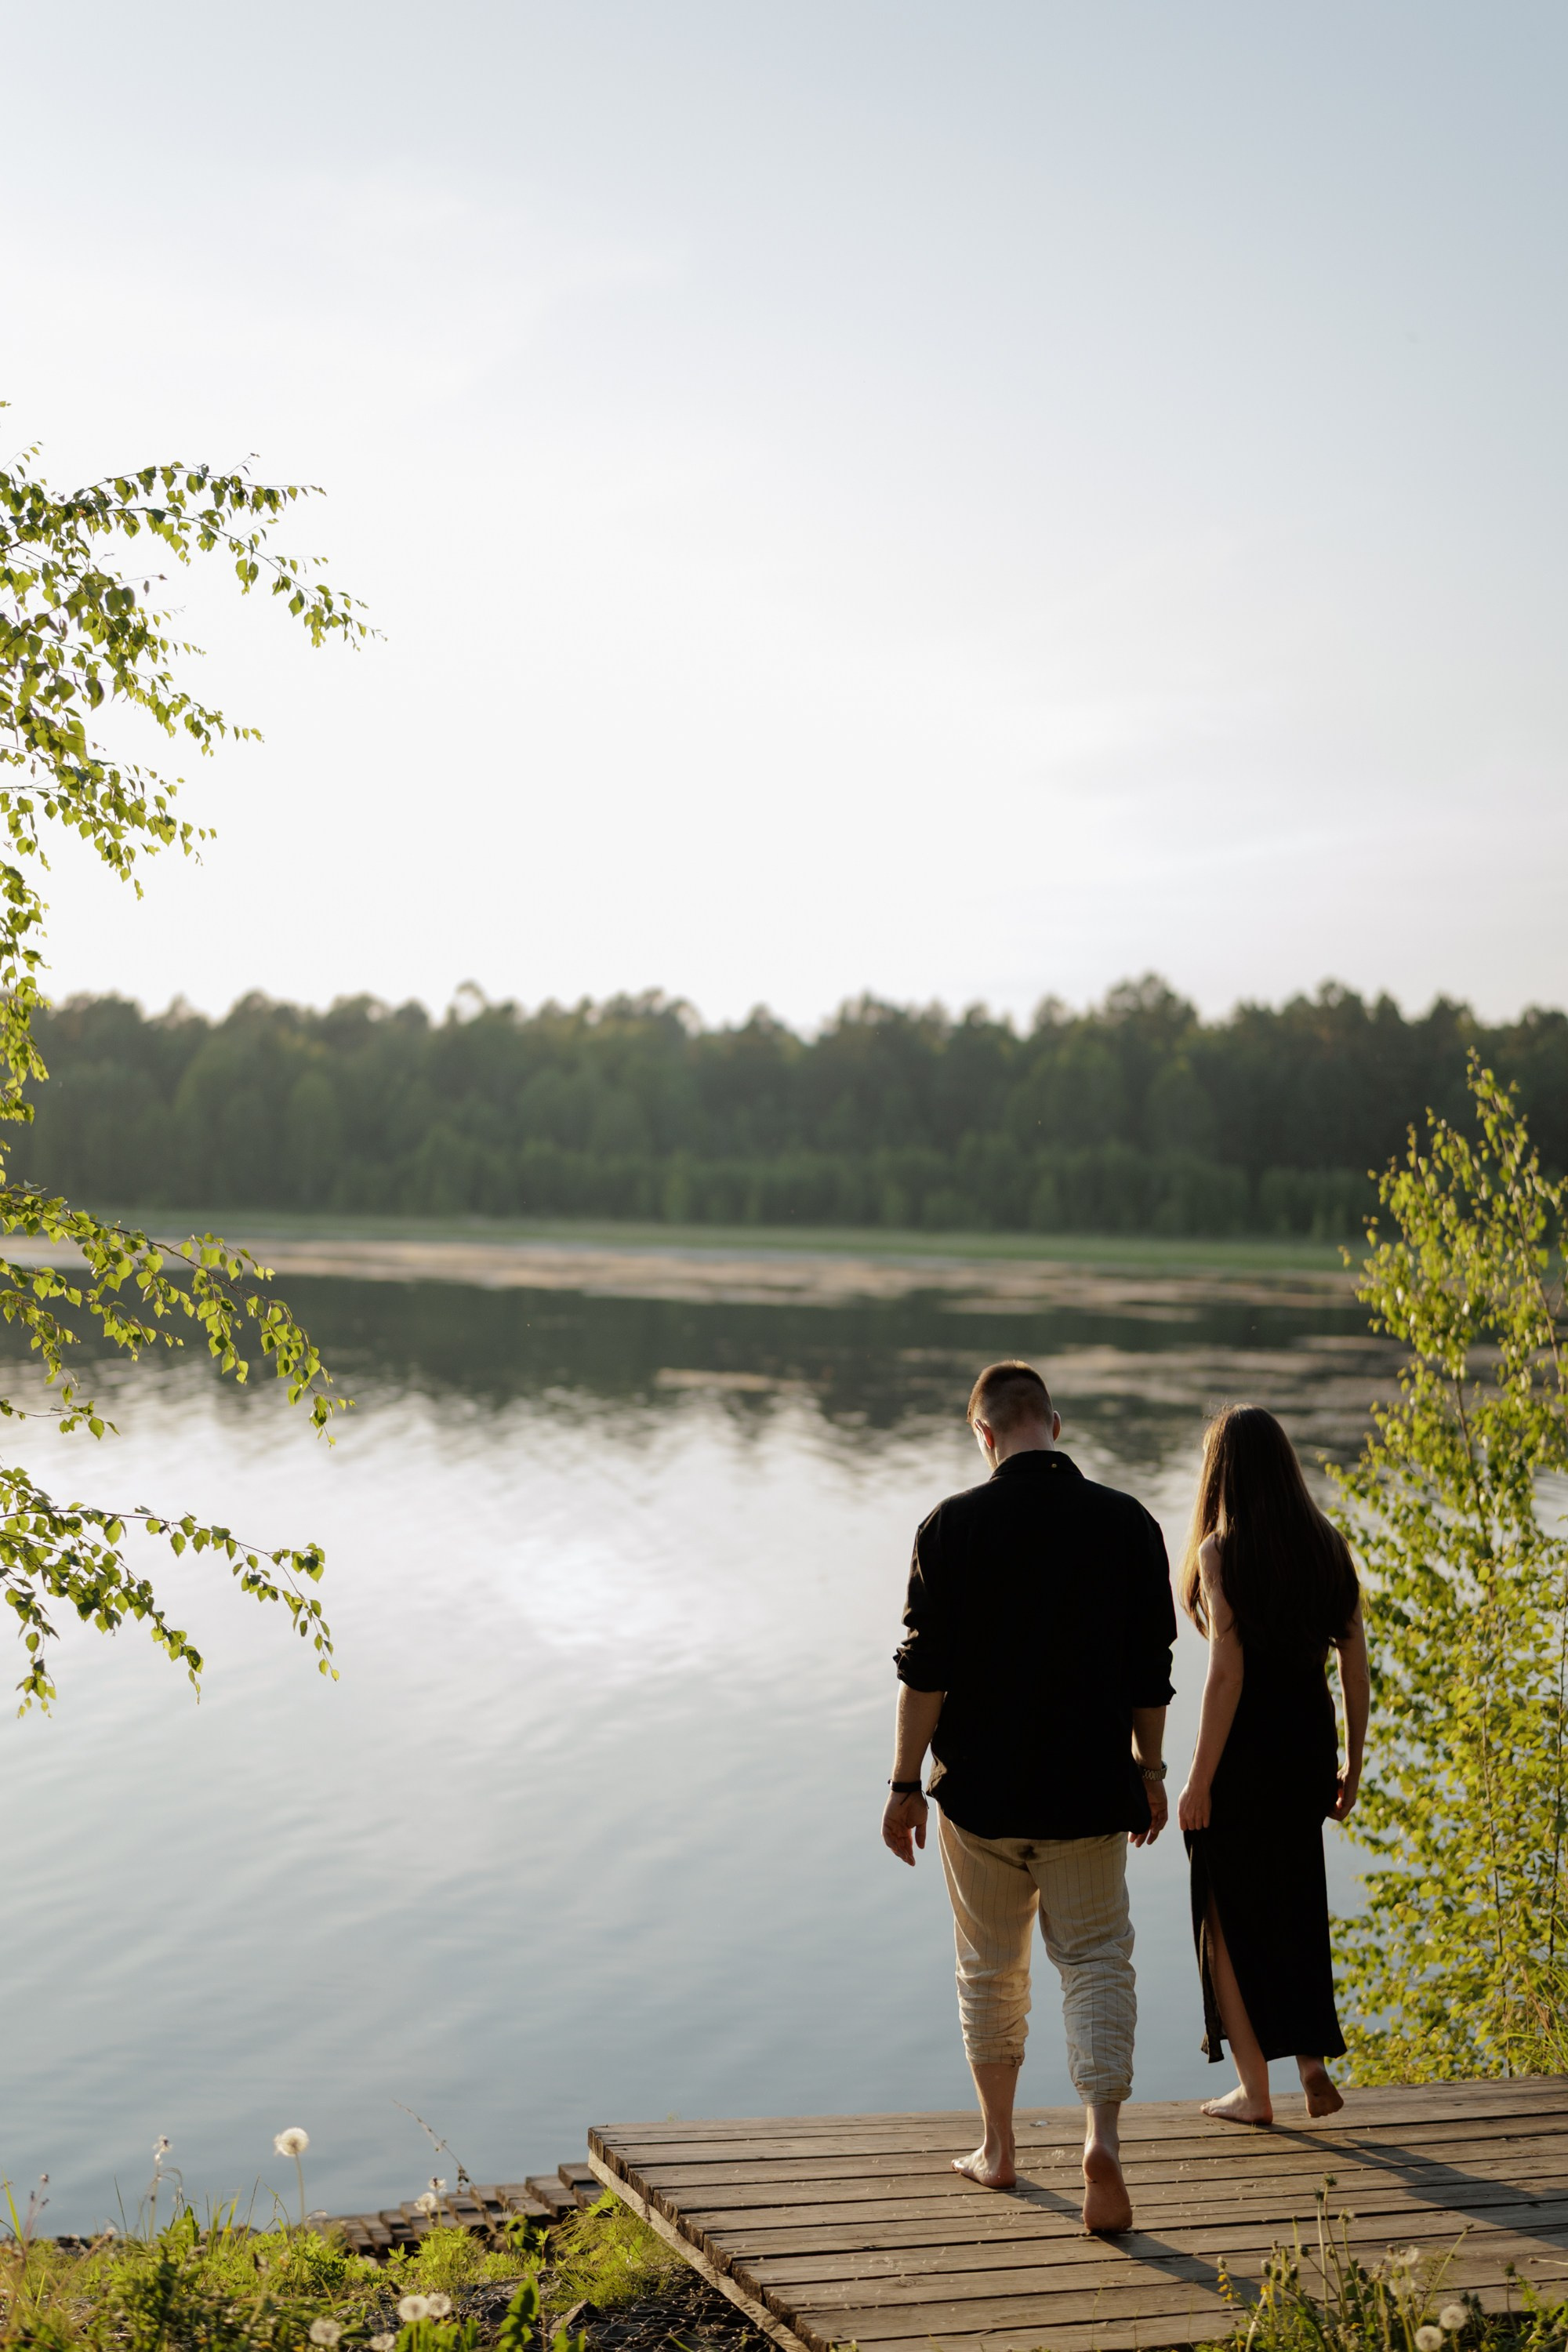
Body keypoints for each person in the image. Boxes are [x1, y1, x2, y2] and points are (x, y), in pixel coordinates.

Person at [883, 1360, 1176, 2235]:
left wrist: (903, 1787)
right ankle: (1103, 2141)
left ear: (982, 1435)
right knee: (1093, 1961)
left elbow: (922, 1676)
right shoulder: (1126, 1523)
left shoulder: (950, 1526)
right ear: (1054, 1423)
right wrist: (1150, 1773)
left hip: (980, 1796)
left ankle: (999, 2150)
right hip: (1090, 1791)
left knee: (988, 1968)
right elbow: (1149, 1672)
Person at [1175, 1403, 1370, 2125]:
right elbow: (1355, 1666)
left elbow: (1226, 1674)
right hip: (1308, 1752)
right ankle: (1311, 2064)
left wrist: (1197, 1782)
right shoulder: (1328, 1544)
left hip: (1246, 1755)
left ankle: (1255, 2092)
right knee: (1294, 1901)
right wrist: (1352, 1763)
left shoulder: (1220, 1553)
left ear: (1221, 1474)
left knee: (1223, 1915)